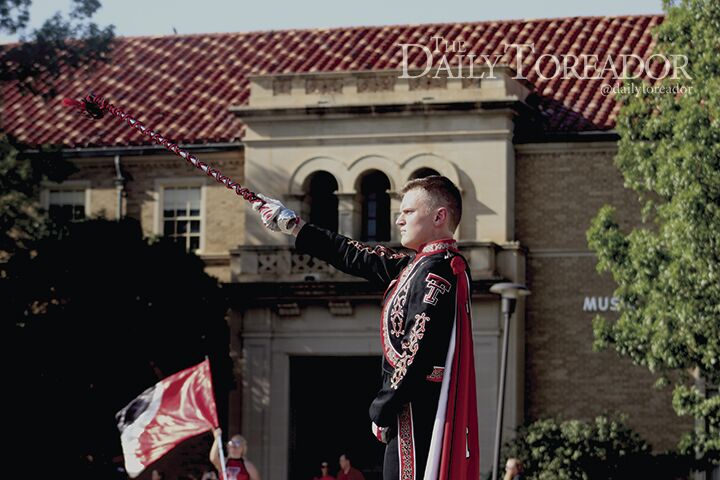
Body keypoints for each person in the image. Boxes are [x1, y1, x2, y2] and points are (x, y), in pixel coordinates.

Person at [252, 175, 479, 480]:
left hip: (416, 409)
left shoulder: (436, 269)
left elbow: (417, 346)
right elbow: (354, 255)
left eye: (408, 212)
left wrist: (384, 405)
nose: (399, 220)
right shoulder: (415, 266)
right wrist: (293, 225)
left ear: (440, 216)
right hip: (410, 405)